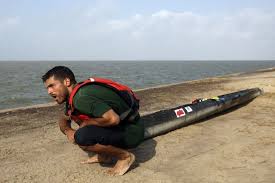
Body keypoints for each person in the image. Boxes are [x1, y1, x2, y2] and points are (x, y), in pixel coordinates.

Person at [42, 66, 144, 176]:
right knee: (82, 131)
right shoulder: (74, 96)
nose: (49, 91)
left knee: (82, 137)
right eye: (47, 88)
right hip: (125, 127)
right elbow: (63, 118)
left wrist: (86, 124)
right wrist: (68, 131)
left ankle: (125, 157)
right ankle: (105, 155)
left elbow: (113, 119)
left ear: (67, 82)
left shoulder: (81, 98)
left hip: (132, 132)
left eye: (52, 86)